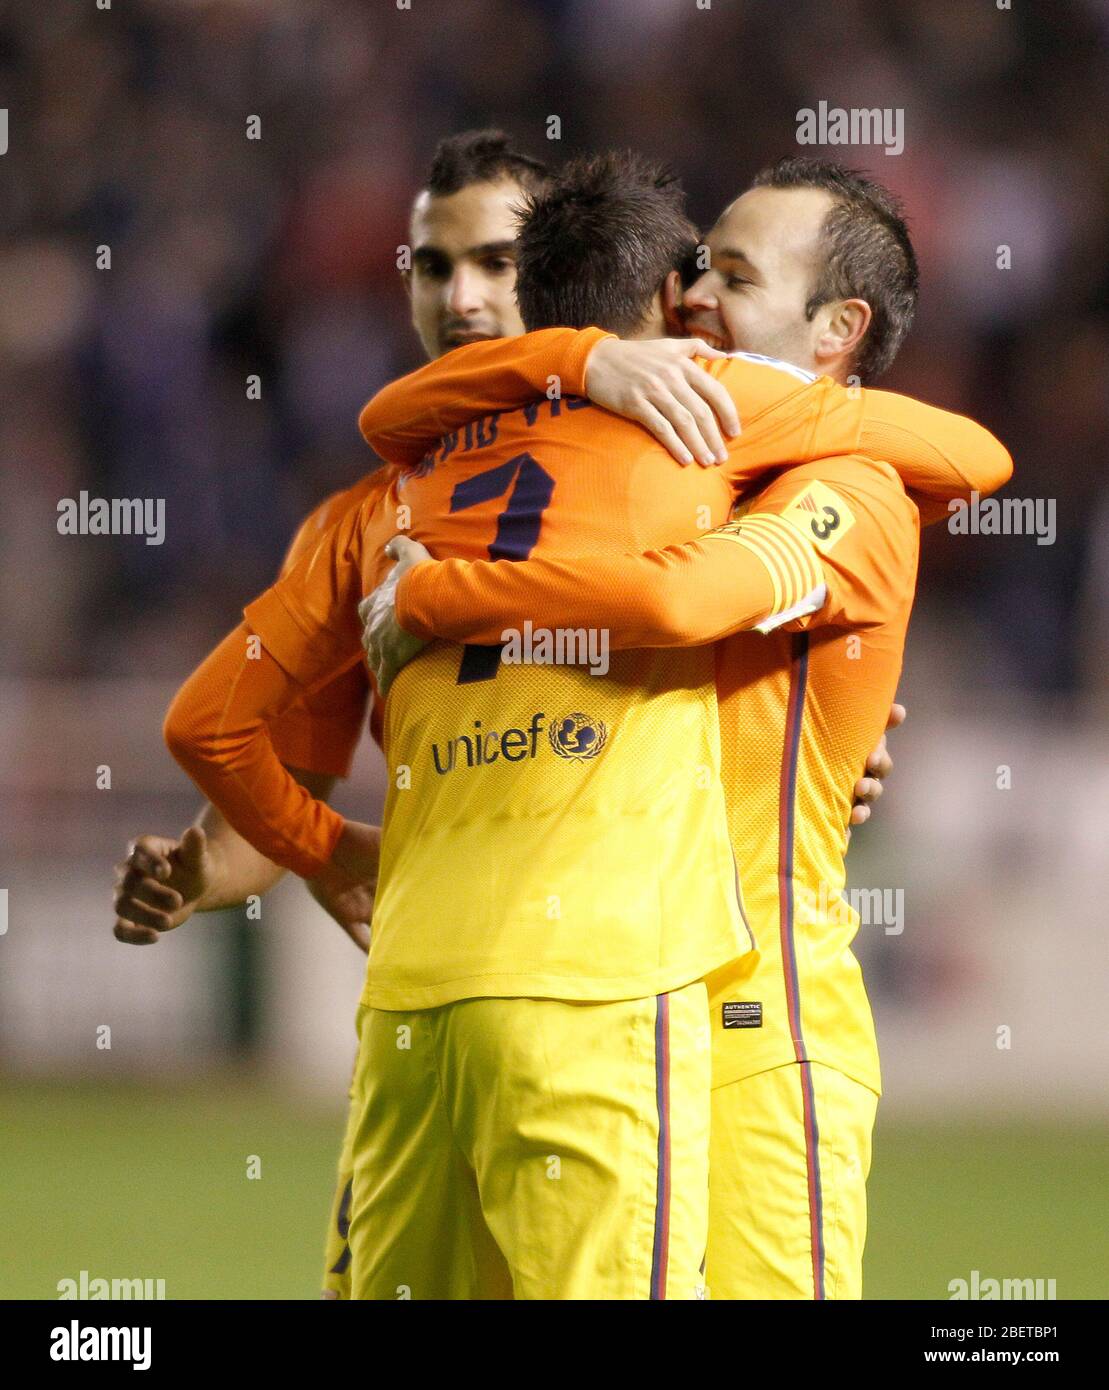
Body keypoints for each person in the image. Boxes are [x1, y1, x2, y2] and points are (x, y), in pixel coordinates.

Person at [162, 153, 1011, 1297]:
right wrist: (579, 360)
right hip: (623, 993)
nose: (692, 295)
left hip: (756, 1010)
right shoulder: (679, 459)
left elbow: (696, 593)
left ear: (834, 328)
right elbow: (403, 421)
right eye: (690, 267)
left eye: (729, 273)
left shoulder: (846, 479)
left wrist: (437, 594)